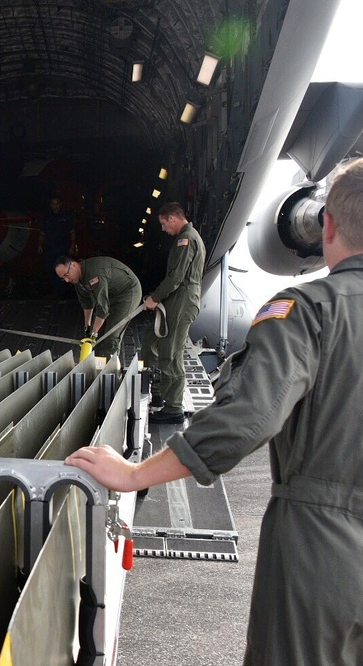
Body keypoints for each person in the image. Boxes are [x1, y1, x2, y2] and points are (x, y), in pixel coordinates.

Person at [66, 157, 363, 665]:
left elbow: (247, 419)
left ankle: (171, 403)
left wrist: (137, 473)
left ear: (326, 225)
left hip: (325, 550)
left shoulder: (310, 311)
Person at [141, 202, 205, 423]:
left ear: (172, 218)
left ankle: (174, 408)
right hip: (178, 300)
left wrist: (154, 298)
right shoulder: (188, 237)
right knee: (153, 339)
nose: (163, 229)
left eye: (163, 224)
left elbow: (176, 277)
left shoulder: (185, 239)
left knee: (170, 352)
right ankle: (159, 394)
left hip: (182, 300)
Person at [54, 255, 142, 360]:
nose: (67, 280)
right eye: (63, 278)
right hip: (111, 295)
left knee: (111, 336)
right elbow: (86, 303)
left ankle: (109, 370)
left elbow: (102, 308)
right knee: (97, 337)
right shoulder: (77, 279)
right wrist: (88, 329)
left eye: (66, 275)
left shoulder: (94, 273)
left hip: (128, 293)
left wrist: (93, 334)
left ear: (73, 265)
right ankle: (97, 366)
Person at [38, 197, 77, 298]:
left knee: (62, 270)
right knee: (49, 269)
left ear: (60, 204)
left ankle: (60, 293)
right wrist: (40, 244)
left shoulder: (66, 217)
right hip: (50, 248)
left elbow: (72, 232)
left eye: (57, 204)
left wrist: (72, 246)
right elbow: (42, 233)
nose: (55, 206)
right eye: (53, 204)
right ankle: (55, 291)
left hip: (62, 249)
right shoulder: (47, 218)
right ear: (50, 205)